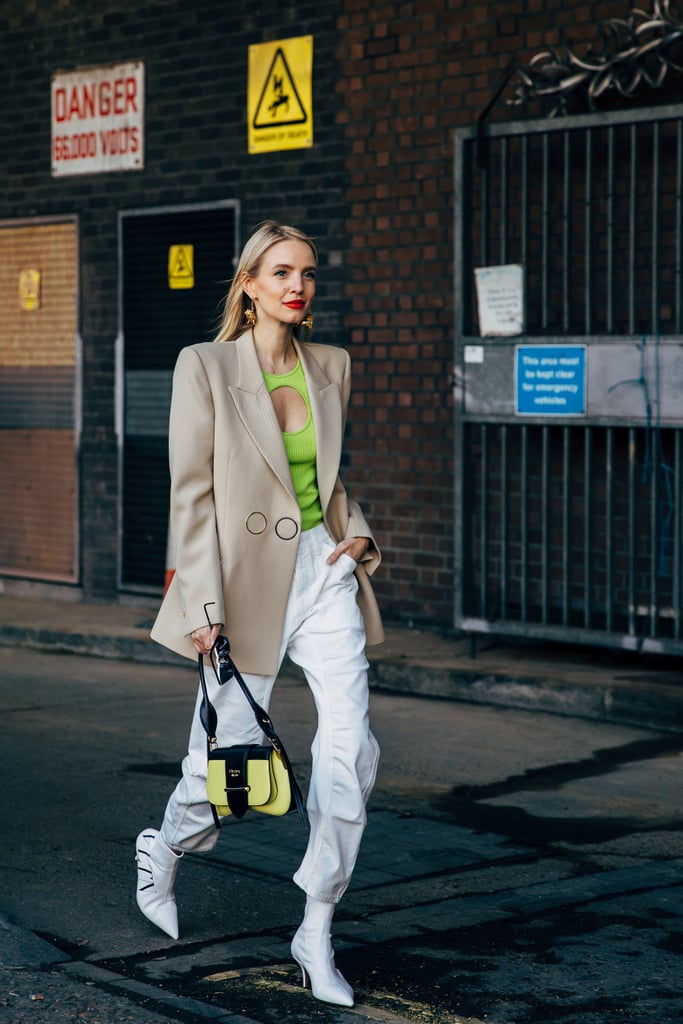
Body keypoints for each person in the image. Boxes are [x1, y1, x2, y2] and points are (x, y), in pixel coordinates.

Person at [136, 220, 383, 1008]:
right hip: (239, 583)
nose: (296, 286)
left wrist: (357, 536)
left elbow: (328, 483)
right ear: (247, 284)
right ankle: (165, 845)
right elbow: (192, 494)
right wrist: (202, 606)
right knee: (228, 766)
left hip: (321, 570)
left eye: (307, 273)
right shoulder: (205, 366)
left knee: (351, 750)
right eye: (280, 272)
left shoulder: (331, 366)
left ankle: (315, 929)